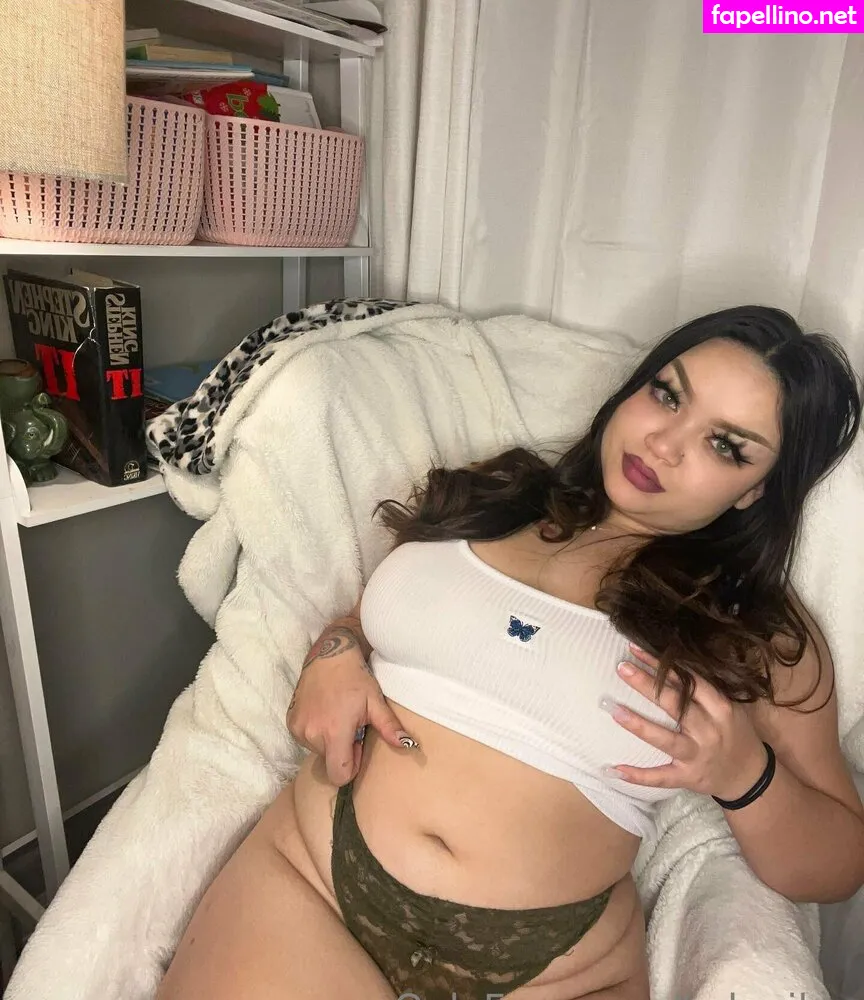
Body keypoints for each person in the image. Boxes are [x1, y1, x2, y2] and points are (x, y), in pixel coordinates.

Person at [156, 305, 864, 1000]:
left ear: (756, 491)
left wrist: (745, 776)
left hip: (560, 971)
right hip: (315, 884)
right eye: (668, 395)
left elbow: (840, 864)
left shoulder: (755, 629)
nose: (664, 444)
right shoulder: (501, 495)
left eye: (725, 446)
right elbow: (375, 621)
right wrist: (334, 655)